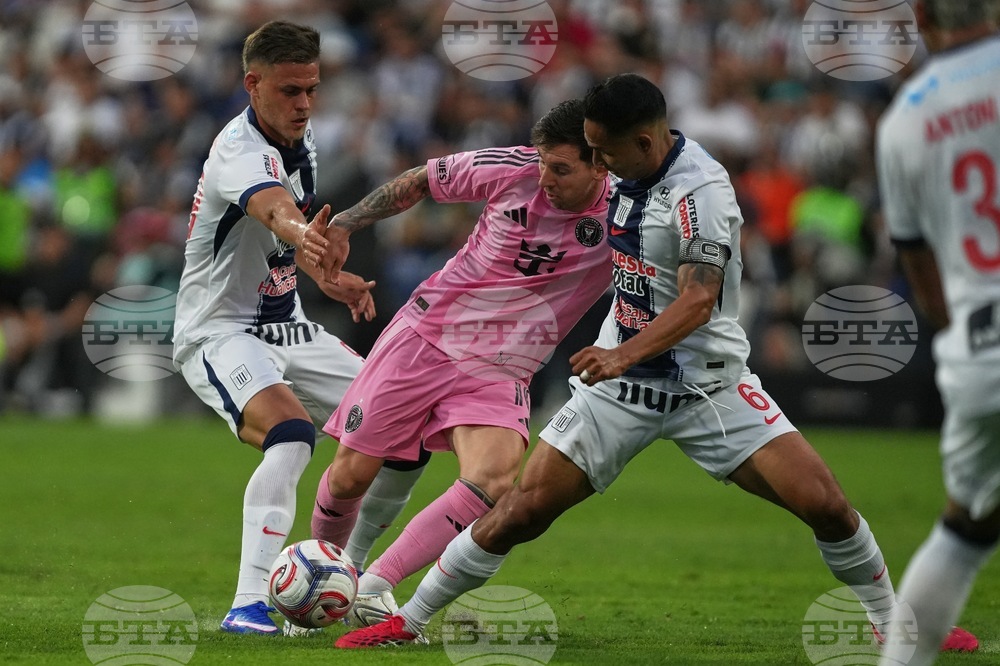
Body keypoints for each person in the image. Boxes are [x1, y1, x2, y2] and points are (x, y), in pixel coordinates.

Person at [334, 73, 978, 655]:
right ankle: (408, 621)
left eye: (604, 152)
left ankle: (894, 621)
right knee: (520, 510)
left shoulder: (702, 194)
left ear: (643, 143)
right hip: (620, 393)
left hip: (708, 385)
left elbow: (699, 298)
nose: (599, 166)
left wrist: (623, 353)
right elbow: (457, 178)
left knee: (826, 504)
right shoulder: (610, 168)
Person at [310, 99, 613, 630]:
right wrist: (347, 223)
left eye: (561, 169)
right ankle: (321, 579)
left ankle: (375, 584)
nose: (545, 178)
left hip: (503, 367)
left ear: (600, 166)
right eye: (543, 163)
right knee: (350, 476)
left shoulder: (628, 212)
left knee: (494, 481)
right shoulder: (512, 168)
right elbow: (420, 180)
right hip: (429, 334)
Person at [172, 20, 387, 636]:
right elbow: (275, 211)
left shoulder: (301, 136)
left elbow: (277, 237)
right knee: (292, 434)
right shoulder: (238, 151)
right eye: (290, 91)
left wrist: (322, 274)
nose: (304, 104)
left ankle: (350, 581)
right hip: (219, 332)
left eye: (312, 90)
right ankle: (247, 605)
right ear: (253, 84)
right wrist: (307, 239)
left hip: (285, 326)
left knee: (397, 427)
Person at [877, 2, 999, 664]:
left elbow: (920, 265)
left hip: (979, 352)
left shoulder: (904, 118)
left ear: (923, 16)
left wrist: (963, 342)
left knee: (965, 529)